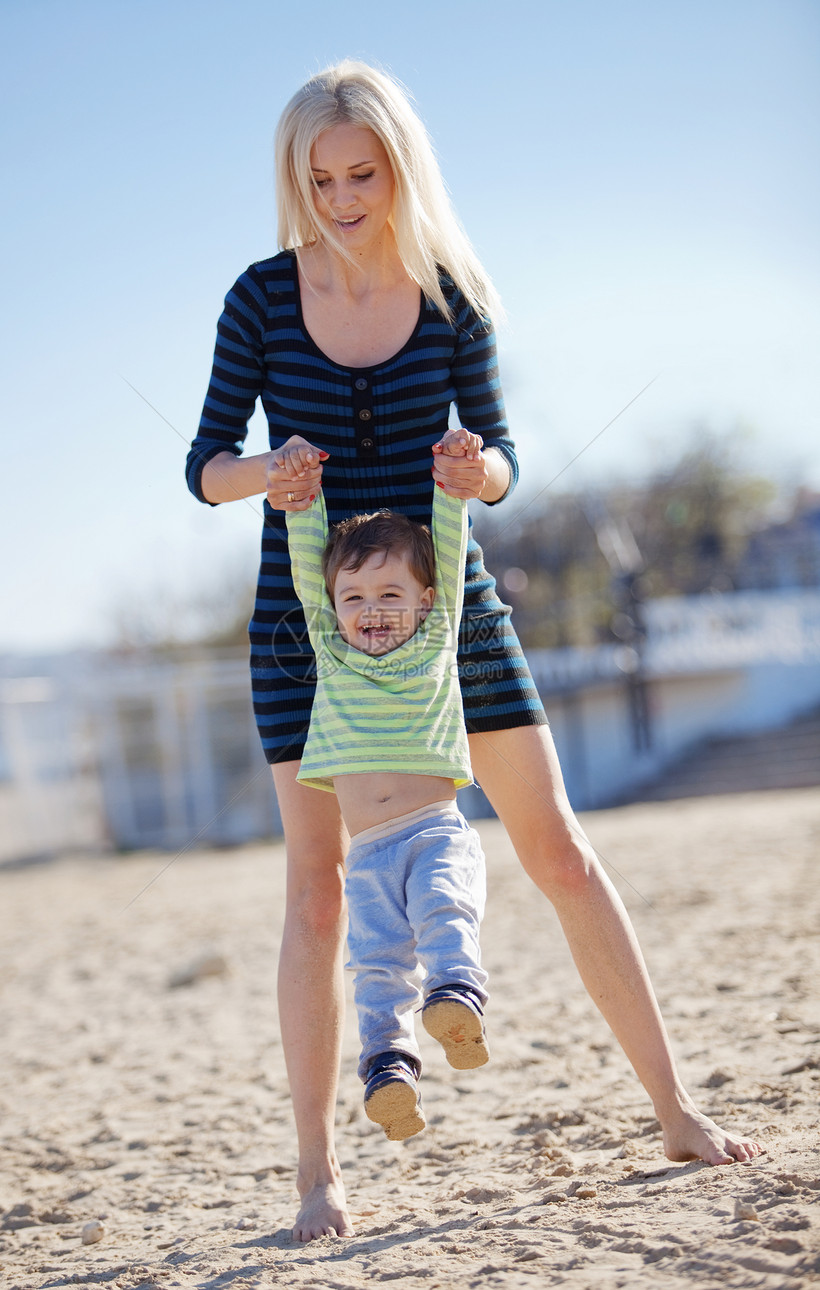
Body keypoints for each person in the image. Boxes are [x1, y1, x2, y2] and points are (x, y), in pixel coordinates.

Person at [186, 59, 761, 1241]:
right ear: (295, 179)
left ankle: (674, 1109)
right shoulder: (255, 297)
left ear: (398, 165)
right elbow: (203, 467)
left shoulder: (455, 295)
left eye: (362, 171)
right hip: (305, 633)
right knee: (315, 893)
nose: (342, 196)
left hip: (453, 620)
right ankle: (315, 1177)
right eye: (320, 176)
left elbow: (499, 457)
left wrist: (474, 471)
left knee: (556, 853)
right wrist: (267, 469)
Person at [286, 459, 490, 1142]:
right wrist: (301, 497)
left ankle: (456, 996)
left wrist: (450, 485)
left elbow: (452, 545)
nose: (370, 609)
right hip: (367, 853)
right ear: (332, 605)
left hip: (435, 833)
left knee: (443, 912)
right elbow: (306, 557)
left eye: (390, 593)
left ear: (426, 601)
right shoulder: (332, 651)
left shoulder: (435, 640)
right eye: (353, 597)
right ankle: (388, 1067)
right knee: (375, 964)